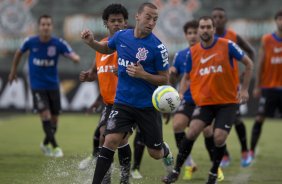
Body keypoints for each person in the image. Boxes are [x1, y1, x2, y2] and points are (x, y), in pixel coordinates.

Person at [81, 2, 174, 184]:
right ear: (138, 16)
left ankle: (165, 150)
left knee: (155, 153)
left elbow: (165, 79)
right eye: (148, 17)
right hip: (123, 102)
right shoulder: (122, 36)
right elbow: (107, 49)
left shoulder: (158, 47)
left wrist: (143, 74)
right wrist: (91, 42)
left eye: (155, 19)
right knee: (109, 140)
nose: (151, 22)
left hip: (147, 106)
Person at [162, 16, 253, 184]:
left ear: (213, 29)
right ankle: (176, 171)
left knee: (218, 137)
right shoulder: (193, 52)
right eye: (202, 27)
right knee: (191, 132)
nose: (204, 30)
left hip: (227, 102)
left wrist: (245, 89)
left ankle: (213, 172)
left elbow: (248, 63)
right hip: (205, 103)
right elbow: (187, 77)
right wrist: (180, 94)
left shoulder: (227, 45)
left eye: (207, 27)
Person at [8, 15, 80, 157]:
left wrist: (75, 58)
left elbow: (71, 53)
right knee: (45, 114)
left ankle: (45, 143)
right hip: (37, 86)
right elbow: (18, 53)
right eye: (43, 24)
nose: (45, 27)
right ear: (39, 27)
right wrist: (13, 71)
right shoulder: (30, 41)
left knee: (54, 121)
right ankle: (56, 147)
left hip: (53, 85)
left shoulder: (57, 43)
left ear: (51, 27)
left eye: (48, 24)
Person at [79, 4, 132, 184]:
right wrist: (89, 76)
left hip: (127, 103)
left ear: (126, 23)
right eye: (113, 21)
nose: (116, 24)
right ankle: (108, 179)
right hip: (109, 103)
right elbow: (96, 72)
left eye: (120, 21)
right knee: (107, 137)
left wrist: (127, 70)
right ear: (106, 24)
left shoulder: (129, 45)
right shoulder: (102, 46)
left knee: (114, 138)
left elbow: (142, 69)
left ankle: (124, 178)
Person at [211, 7, 255, 167]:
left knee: (236, 119)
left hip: (231, 87)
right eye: (214, 16)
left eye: (220, 16)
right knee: (212, 124)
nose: (217, 19)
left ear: (225, 19)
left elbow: (251, 51)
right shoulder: (208, 37)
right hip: (211, 87)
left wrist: (245, 73)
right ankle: (225, 155)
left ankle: (245, 151)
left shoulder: (233, 36)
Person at [168, 20, 199, 181]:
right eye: (190, 33)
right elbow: (174, 79)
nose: (193, 36)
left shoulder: (208, 53)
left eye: (195, 32)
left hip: (205, 100)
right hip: (186, 98)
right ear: (186, 36)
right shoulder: (180, 55)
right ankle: (189, 163)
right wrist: (172, 75)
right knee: (177, 125)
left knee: (211, 133)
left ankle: (218, 167)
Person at [250, 10, 282, 161]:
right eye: (280, 19)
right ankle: (250, 151)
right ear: (275, 21)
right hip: (269, 87)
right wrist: (257, 86)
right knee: (259, 118)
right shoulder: (267, 39)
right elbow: (260, 63)